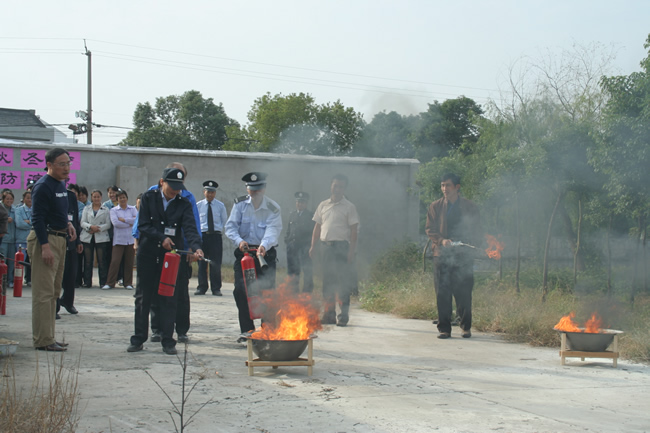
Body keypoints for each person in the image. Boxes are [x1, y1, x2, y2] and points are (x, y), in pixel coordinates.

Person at [127, 167, 203, 355]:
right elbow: (143, 225)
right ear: (162, 182)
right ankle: (138, 338)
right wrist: (161, 238)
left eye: (178, 187)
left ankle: (168, 340)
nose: (175, 191)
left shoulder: (183, 203)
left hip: (171, 258)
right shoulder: (148, 197)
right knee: (143, 297)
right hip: (148, 254)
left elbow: (190, 227)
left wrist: (196, 247)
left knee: (169, 297)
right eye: (172, 186)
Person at [26, 147, 77, 351]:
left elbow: (57, 212)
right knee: (44, 293)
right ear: (49, 165)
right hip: (45, 240)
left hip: (60, 238)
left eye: (68, 164)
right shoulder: (42, 186)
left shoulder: (60, 185)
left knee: (54, 291)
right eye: (62, 164)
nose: (66, 168)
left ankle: (49, 336)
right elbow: (37, 218)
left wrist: (68, 223)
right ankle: (42, 340)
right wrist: (44, 246)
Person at [225, 172, 282, 342]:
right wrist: (239, 241)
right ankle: (247, 331)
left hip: (265, 255)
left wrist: (263, 245)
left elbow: (273, 230)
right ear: (247, 189)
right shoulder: (240, 205)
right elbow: (230, 227)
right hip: (244, 255)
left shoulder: (273, 208)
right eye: (252, 190)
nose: (255, 193)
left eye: (258, 189)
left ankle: (267, 331)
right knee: (241, 291)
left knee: (267, 293)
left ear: (264, 189)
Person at [425, 173, 482, 339]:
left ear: (457, 187)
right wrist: (441, 241)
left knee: (464, 292)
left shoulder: (470, 207)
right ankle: (444, 328)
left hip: (463, 255)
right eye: (442, 185)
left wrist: (472, 245)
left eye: (448, 185)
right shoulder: (435, 207)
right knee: (442, 293)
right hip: (442, 254)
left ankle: (465, 327)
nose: (445, 189)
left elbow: (477, 229)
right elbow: (430, 229)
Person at [310, 174, 359, 327]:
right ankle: (329, 314)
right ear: (331, 186)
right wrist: (313, 246)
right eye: (335, 185)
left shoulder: (349, 207)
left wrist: (351, 251)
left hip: (341, 248)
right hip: (326, 248)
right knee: (327, 282)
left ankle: (343, 316)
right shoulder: (323, 205)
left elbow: (354, 230)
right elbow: (317, 227)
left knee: (343, 282)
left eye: (341, 187)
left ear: (345, 189)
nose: (337, 189)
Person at [194, 180, 227, 296]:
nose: (210, 194)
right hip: (203, 236)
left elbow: (224, 221)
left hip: (215, 237)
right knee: (202, 263)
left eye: (212, 192)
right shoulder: (198, 206)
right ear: (204, 192)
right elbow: (195, 222)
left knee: (216, 263)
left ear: (215, 193)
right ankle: (202, 287)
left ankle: (216, 288)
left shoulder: (220, 206)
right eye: (208, 192)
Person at [104, 188, 136, 289]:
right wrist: (129, 223)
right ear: (117, 200)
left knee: (129, 262)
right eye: (120, 198)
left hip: (130, 240)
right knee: (115, 261)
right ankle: (110, 283)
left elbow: (136, 221)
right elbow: (116, 223)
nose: (122, 199)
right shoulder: (114, 210)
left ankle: (128, 283)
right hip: (118, 240)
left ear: (127, 198)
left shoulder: (132, 209)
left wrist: (124, 220)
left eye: (124, 197)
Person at [58, 184, 82, 317]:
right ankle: (54, 305)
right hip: (56, 238)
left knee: (71, 274)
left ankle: (68, 301)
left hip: (71, 240)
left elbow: (75, 219)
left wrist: (78, 241)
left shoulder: (71, 196)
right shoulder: (50, 192)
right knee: (56, 276)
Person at [80, 190, 112, 288]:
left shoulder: (105, 209)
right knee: (88, 261)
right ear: (91, 197)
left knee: (102, 261)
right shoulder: (86, 208)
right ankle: (87, 282)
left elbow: (108, 224)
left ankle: (103, 282)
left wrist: (98, 228)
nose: (96, 199)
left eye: (98, 197)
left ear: (101, 197)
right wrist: (90, 227)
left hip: (101, 236)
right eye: (94, 197)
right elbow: (82, 222)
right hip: (88, 236)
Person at [285, 191, 315, 293]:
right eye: (298, 202)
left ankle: (307, 293)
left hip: (304, 247)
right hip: (292, 247)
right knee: (292, 270)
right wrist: (287, 240)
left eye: (302, 202)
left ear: (306, 204)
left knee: (307, 270)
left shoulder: (310, 216)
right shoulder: (292, 215)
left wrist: (310, 246)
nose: (299, 204)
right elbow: (289, 230)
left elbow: (312, 232)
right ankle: (293, 292)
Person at [0, 191, 16, 287]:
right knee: (3, 261)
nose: (9, 201)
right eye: (7, 199)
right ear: (3, 199)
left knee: (11, 262)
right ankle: (2, 281)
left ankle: (10, 280)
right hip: (3, 239)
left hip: (13, 239)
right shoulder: (1, 209)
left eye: (11, 199)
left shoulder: (15, 210)